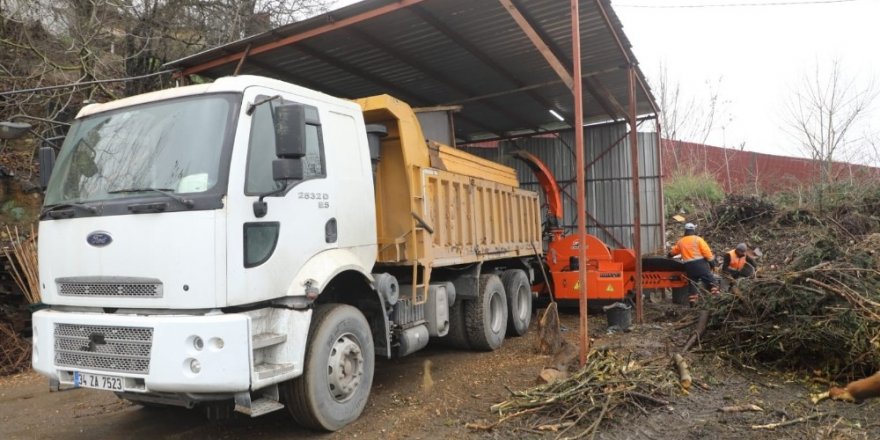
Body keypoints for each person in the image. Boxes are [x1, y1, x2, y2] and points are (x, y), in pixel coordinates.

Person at [667, 223, 717, 305]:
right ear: (693, 230)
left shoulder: (681, 241)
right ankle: (716, 299)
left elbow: (673, 252)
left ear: (685, 231)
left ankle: (693, 303)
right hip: (701, 265)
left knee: (693, 284)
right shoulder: (698, 239)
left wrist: (669, 255)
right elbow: (706, 252)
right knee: (712, 281)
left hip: (689, 267)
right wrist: (712, 263)